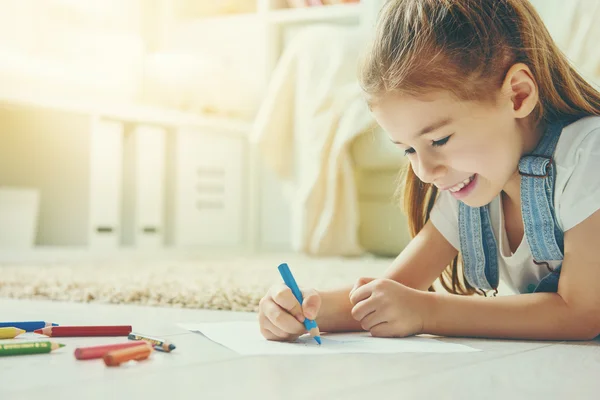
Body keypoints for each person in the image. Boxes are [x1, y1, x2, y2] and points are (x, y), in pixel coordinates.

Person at [258, 0, 600, 341]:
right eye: (408, 149)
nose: (424, 171)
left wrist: (427, 311)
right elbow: (392, 293)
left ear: (517, 95)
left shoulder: (588, 154)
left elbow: (582, 312)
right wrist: (305, 308)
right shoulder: (474, 181)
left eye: (439, 140)